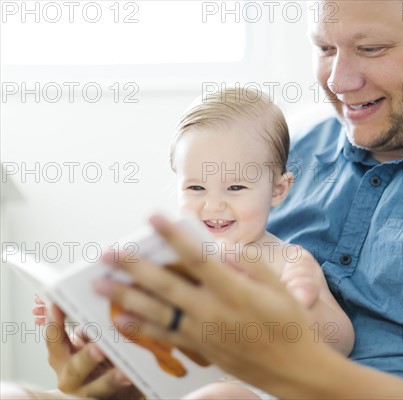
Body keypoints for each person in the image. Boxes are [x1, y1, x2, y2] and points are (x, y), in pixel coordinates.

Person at [29, 0, 403, 398]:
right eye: (324, 47)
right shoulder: (279, 154)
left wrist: (296, 373)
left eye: (371, 48)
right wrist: (122, 371)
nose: (340, 80)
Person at [27, 87, 354, 400]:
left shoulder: (288, 261)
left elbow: (342, 341)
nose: (213, 206)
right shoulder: (166, 262)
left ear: (278, 190)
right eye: (196, 188)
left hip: (252, 391)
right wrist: (85, 320)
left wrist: (303, 310)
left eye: (236, 187)